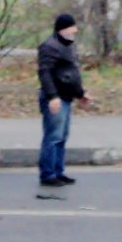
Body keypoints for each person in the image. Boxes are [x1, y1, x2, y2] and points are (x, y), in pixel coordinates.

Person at [37, 13, 92, 187]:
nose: (75, 31)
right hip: (55, 98)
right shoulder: (50, 46)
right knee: (53, 136)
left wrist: (81, 94)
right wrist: (52, 96)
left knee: (61, 137)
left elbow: (71, 75)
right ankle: (48, 173)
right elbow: (45, 73)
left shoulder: (68, 46)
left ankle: (58, 171)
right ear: (63, 29)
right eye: (72, 27)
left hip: (66, 97)